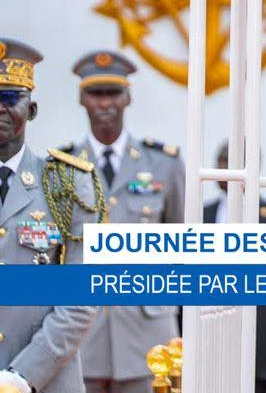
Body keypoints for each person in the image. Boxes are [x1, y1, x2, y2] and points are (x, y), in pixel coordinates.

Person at [61, 51, 184, 393]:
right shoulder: (60, 167)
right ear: (81, 99)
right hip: (81, 328)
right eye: (95, 93)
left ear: (128, 97)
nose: (105, 103)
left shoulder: (164, 164)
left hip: (148, 332)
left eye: (113, 93)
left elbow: (182, 240)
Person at [0, 38, 106, 393]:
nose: (0, 109)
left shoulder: (68, 184)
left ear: (31, 110)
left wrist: (23, 375)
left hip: (44, 381)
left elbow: (82, 294)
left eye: (10, 98)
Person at [204, 139, 266, 393]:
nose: (228, 169)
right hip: (209, 345)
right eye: (222, 161)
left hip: (263, 357)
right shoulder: (199, 215)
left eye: (235, 162)